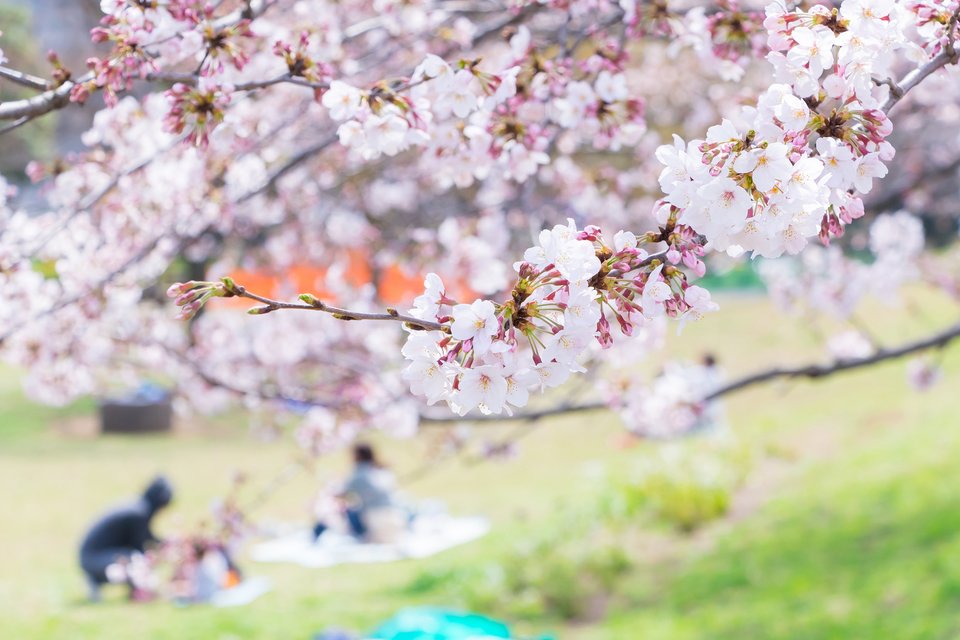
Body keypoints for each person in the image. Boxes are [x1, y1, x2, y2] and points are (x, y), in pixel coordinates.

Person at [79, 475, 173, 601]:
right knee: (136, 560)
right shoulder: (138, 514)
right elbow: (140, 547)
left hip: (91, 556)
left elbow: (146, 538)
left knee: (133, 558)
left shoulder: (137, 507)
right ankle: (137, 592)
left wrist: (164, 543)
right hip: (94, 558)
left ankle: (97, 579)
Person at [313, 443, 402, 542]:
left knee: (335, 512)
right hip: (397, 516)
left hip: (376, 520)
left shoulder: (359, 474)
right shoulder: (382, 470)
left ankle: (315, 538)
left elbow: (340, 493)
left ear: (357, 456)